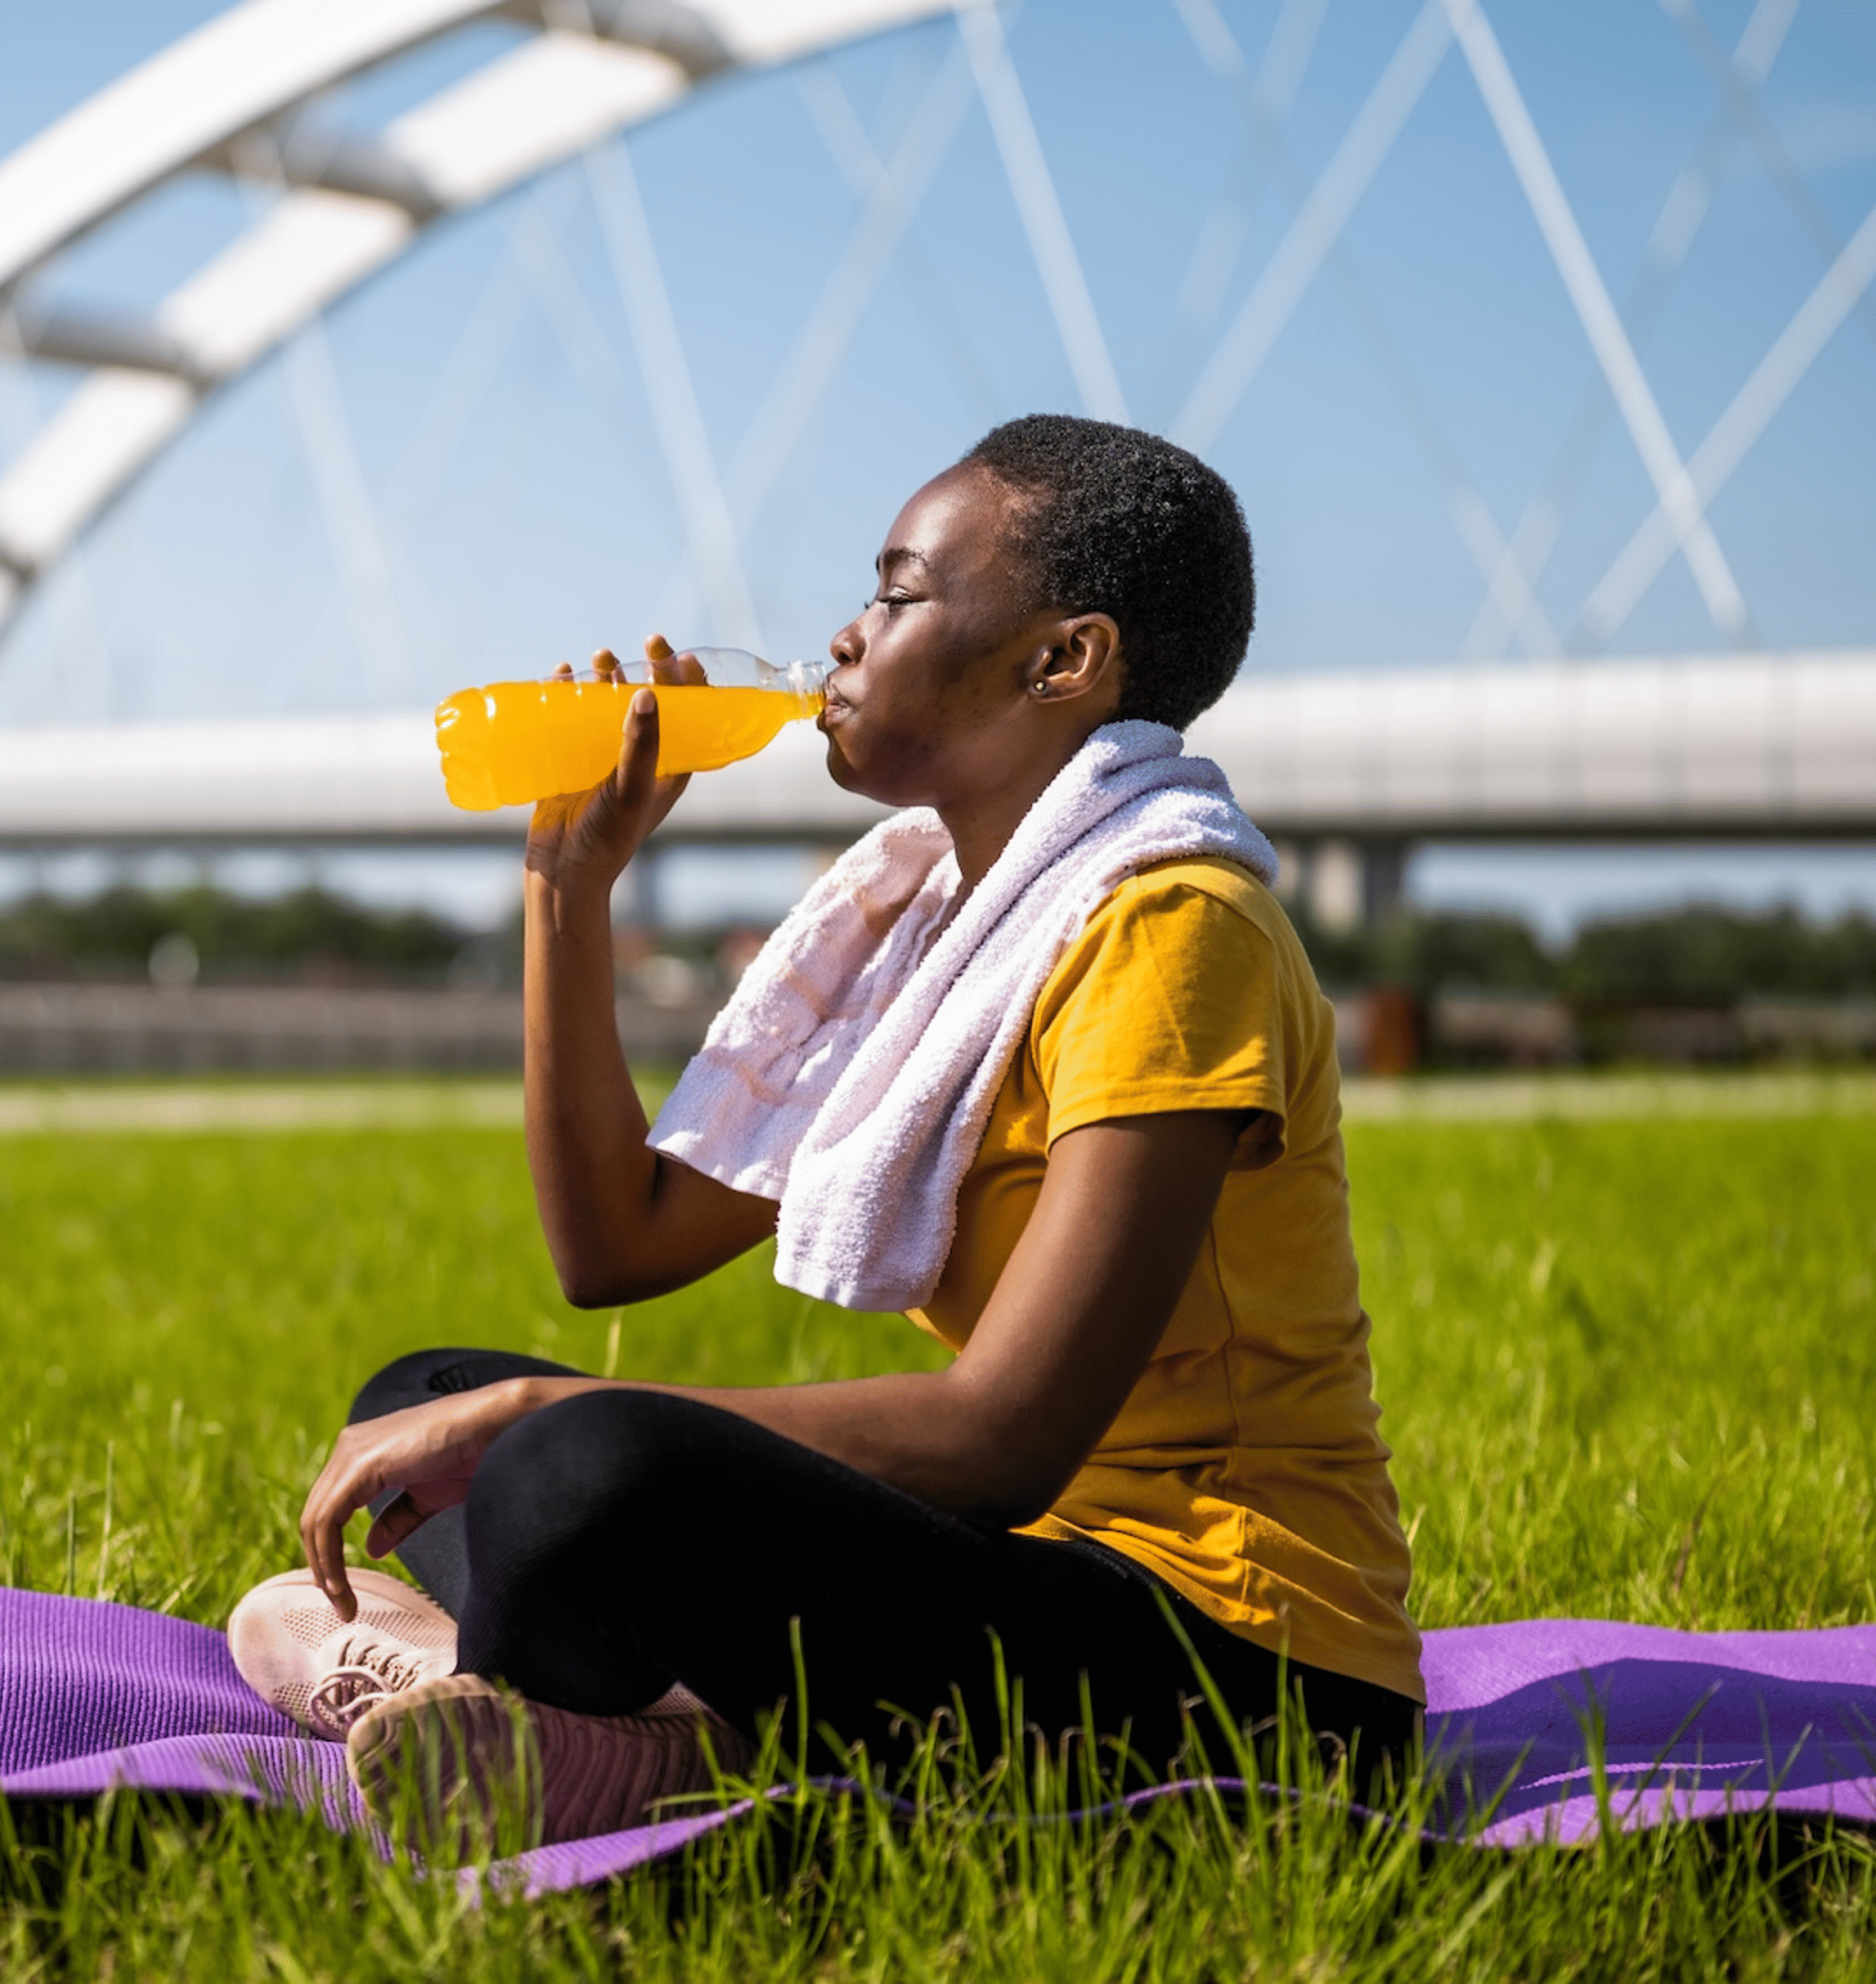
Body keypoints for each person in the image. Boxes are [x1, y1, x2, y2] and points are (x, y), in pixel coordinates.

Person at [228, 415, 1421, 1850]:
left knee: (571, 1471)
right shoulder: (933, 932)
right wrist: (569, 887)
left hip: (1247, 1674)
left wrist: (545, 1423)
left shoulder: (1175, 929)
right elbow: (615, 1246)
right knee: (422, 1394)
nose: (845, 639)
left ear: (1063, 660)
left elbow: (1002, 1441)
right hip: (1018, 1580)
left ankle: (561, 1718)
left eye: (899, 594)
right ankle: (603, 1731)